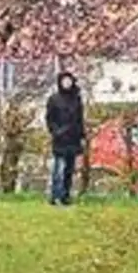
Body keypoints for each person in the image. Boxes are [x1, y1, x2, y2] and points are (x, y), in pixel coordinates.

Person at [45, 71, 85, 206]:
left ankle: (65, 196)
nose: (67, 83)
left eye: (69, 81)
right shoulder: (54, 99)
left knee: (69, 169)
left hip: (73, 139)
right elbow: (49, 118)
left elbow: (80, 119)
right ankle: (55, 195)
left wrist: (81, 135)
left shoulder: (77, 99)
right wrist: (56, 132)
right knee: (59, 169)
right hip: (60, 139)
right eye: (64, 81)